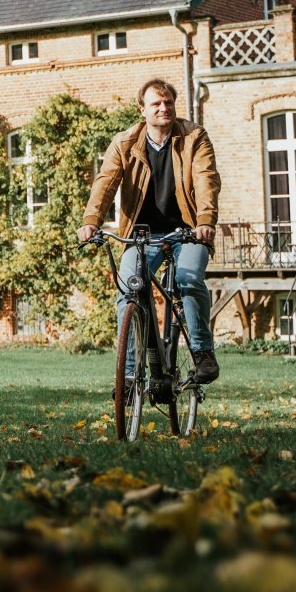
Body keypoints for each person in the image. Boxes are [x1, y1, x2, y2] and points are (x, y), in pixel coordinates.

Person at [78, 78, 221, 388]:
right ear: (141, 109)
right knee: (128, 289)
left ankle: (202, 352)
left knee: (188, 278)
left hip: (189, 231)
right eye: (156, 103)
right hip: (142, 235)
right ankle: (129, 375)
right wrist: (92, 220)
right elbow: (106, 182)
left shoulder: (194, 137)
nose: (163, 108)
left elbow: (205, 178)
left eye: (168, 102)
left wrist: (206, 220)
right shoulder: (125, 142)